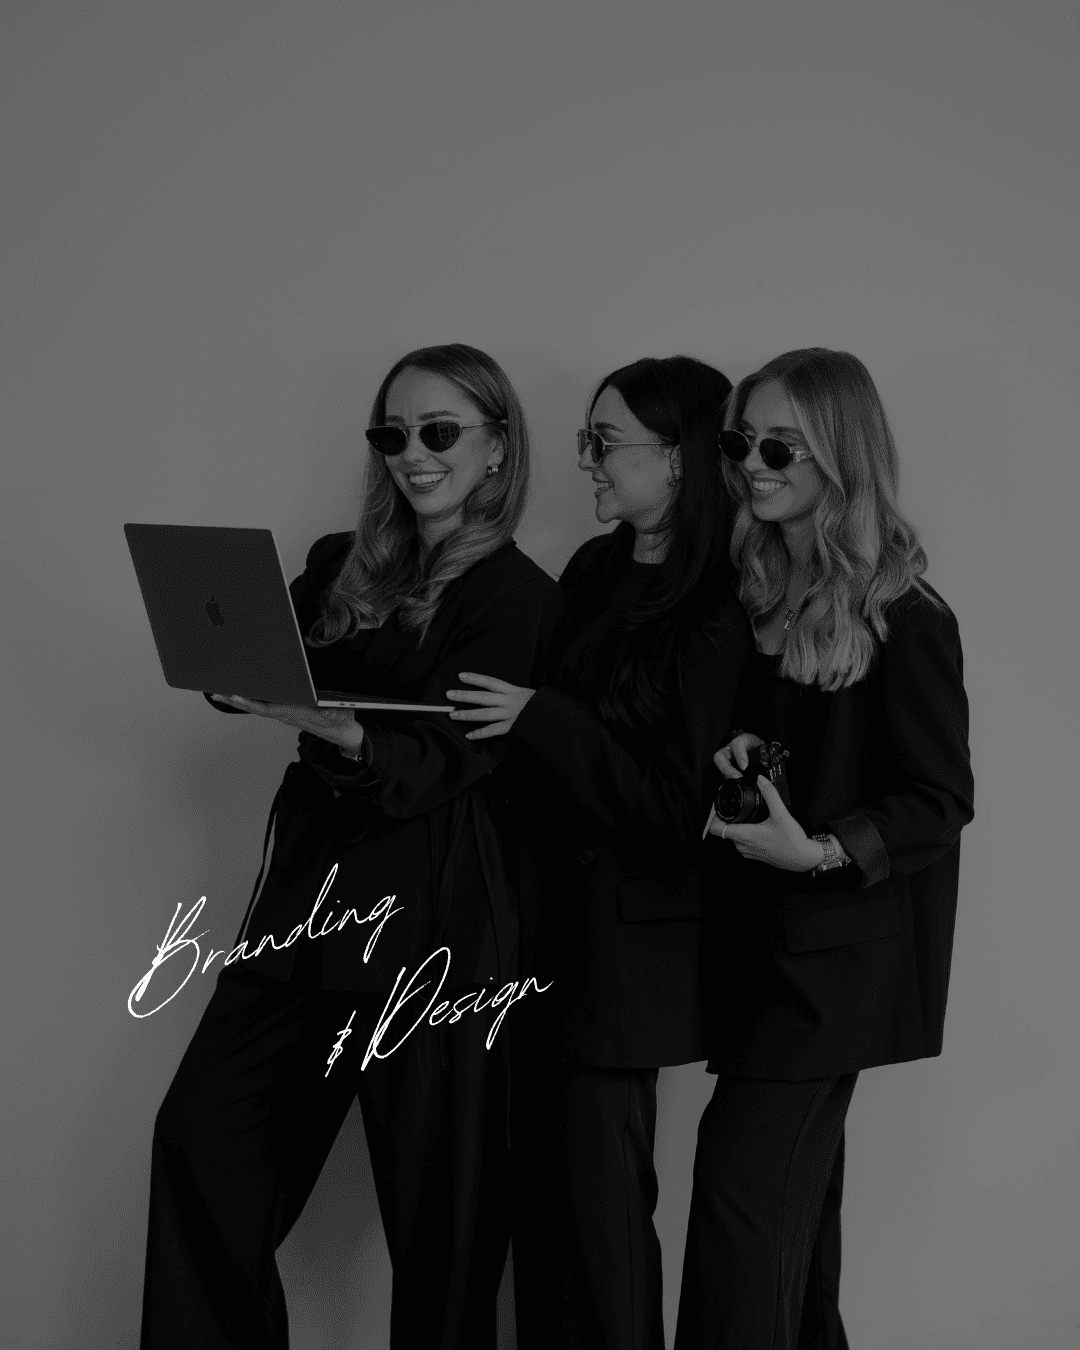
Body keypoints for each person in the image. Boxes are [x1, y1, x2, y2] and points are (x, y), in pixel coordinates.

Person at [139, 343, 562, 1350]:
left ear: (499, 447)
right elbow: (256, 669)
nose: (413, 453)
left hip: (435, 925)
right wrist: (231, 670)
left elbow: (453, 760)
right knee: (203, 1144)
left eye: (439, 431)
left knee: (441, 1224)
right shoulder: (340, 563)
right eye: (392, 432)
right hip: (306, 914)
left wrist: (341, 731)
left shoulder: (519, 596)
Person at [445, 355, 754, 1350]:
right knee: (545, 1220)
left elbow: (677, 811)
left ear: (680, 458)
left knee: (600, 1224)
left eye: (605, 442)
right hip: (540, 938)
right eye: (589, 439)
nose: (587, 460)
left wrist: (545, 718)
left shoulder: (719, 606)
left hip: (624, 965)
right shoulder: (592, 569)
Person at [674, 348, 975, 1350]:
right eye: (741, 443)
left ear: (841, 457)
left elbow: (940, 799)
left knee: (740, 1208)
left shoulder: (906, 616)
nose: (751, 466)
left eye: (780, 448)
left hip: (832, 972)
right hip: (753, 949)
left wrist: (824, 852)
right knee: (789, 1237)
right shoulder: (756, 590)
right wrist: (739, 756)